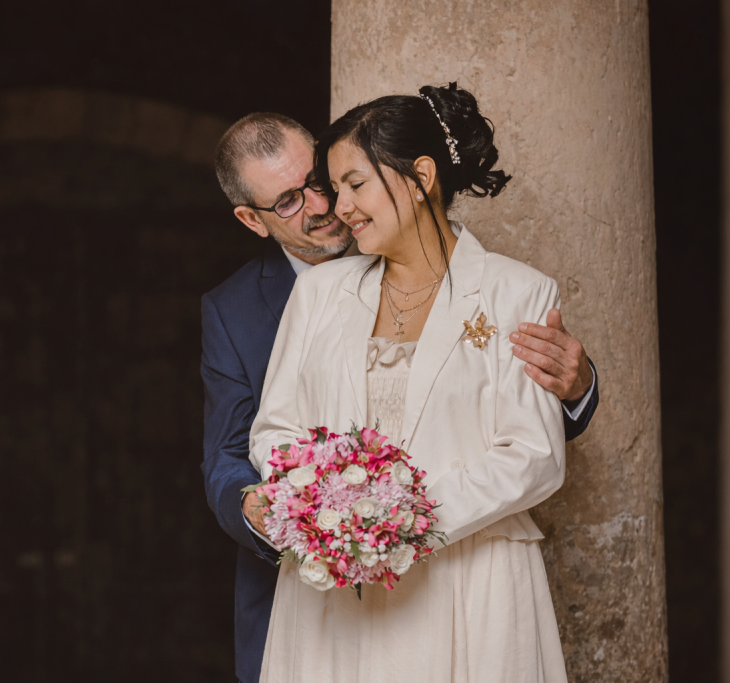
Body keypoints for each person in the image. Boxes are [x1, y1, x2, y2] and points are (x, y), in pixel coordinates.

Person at [202, 109, 598, 683]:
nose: (331, 206)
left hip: (469, 581)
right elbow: (262, 436)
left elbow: (533, 451)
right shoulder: (312, 293)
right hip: (332, 593)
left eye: (340, 185)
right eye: (298, 198)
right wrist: (320, 511)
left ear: (418, 178)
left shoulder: (519, 290)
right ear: (252, 218)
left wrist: (397, 518)